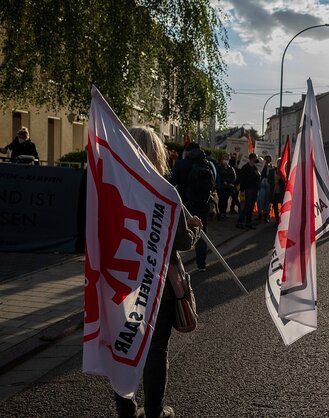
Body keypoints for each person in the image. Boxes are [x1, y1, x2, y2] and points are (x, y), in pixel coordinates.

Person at [113, 127, 202, 418]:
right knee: (156, 349)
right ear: (156, 154)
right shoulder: (164, 191)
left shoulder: (113, 184)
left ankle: (125, 409)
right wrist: (196, 230)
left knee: (123, 347)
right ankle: (154, 411)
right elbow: (181, 240)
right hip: (158, 283)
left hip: (122, 280)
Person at [170, 143, 215, 272]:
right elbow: (213, 183)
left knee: (181, 233)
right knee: (201, 232)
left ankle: (178, 266)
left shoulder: (181, 164)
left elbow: (170, 183)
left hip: (185, 206)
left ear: (187, 151)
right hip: (203, 205)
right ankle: (201, 264)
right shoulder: (208, 164)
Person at [236, 153, 261, 229]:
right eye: (255, 158)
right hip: (248, 189)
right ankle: (240, 221)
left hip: (254, 188)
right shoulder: (245, 167)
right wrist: (242, 190)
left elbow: (258, 178)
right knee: (247, 206)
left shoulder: (254, 167)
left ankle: (248, 222)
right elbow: (242, 179)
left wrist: (258, 175)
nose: (256, 159)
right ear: (252, 158)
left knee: (251, 206)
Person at [215, 154, 236, 219]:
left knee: (226, 200)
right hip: (221, 187)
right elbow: (217, 176)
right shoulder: (218, 167)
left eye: (227, 159)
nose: (225, 160)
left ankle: (224, 213)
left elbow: (234, 176)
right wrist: (223, 182)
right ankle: (221, 213)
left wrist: (231, 183)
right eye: (224, 159)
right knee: (221, 200)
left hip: (228, 187)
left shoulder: (230, 168)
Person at [257, 155, 276, 223]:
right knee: (260, 200)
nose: (267, 160)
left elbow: (273, 176)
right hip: (262, 183)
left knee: (267, 201)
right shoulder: (260, 165)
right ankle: (260, 213)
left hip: (268, 183)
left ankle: (265, 215)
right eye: (266, 159)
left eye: (269, 159)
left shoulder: (272, 167)